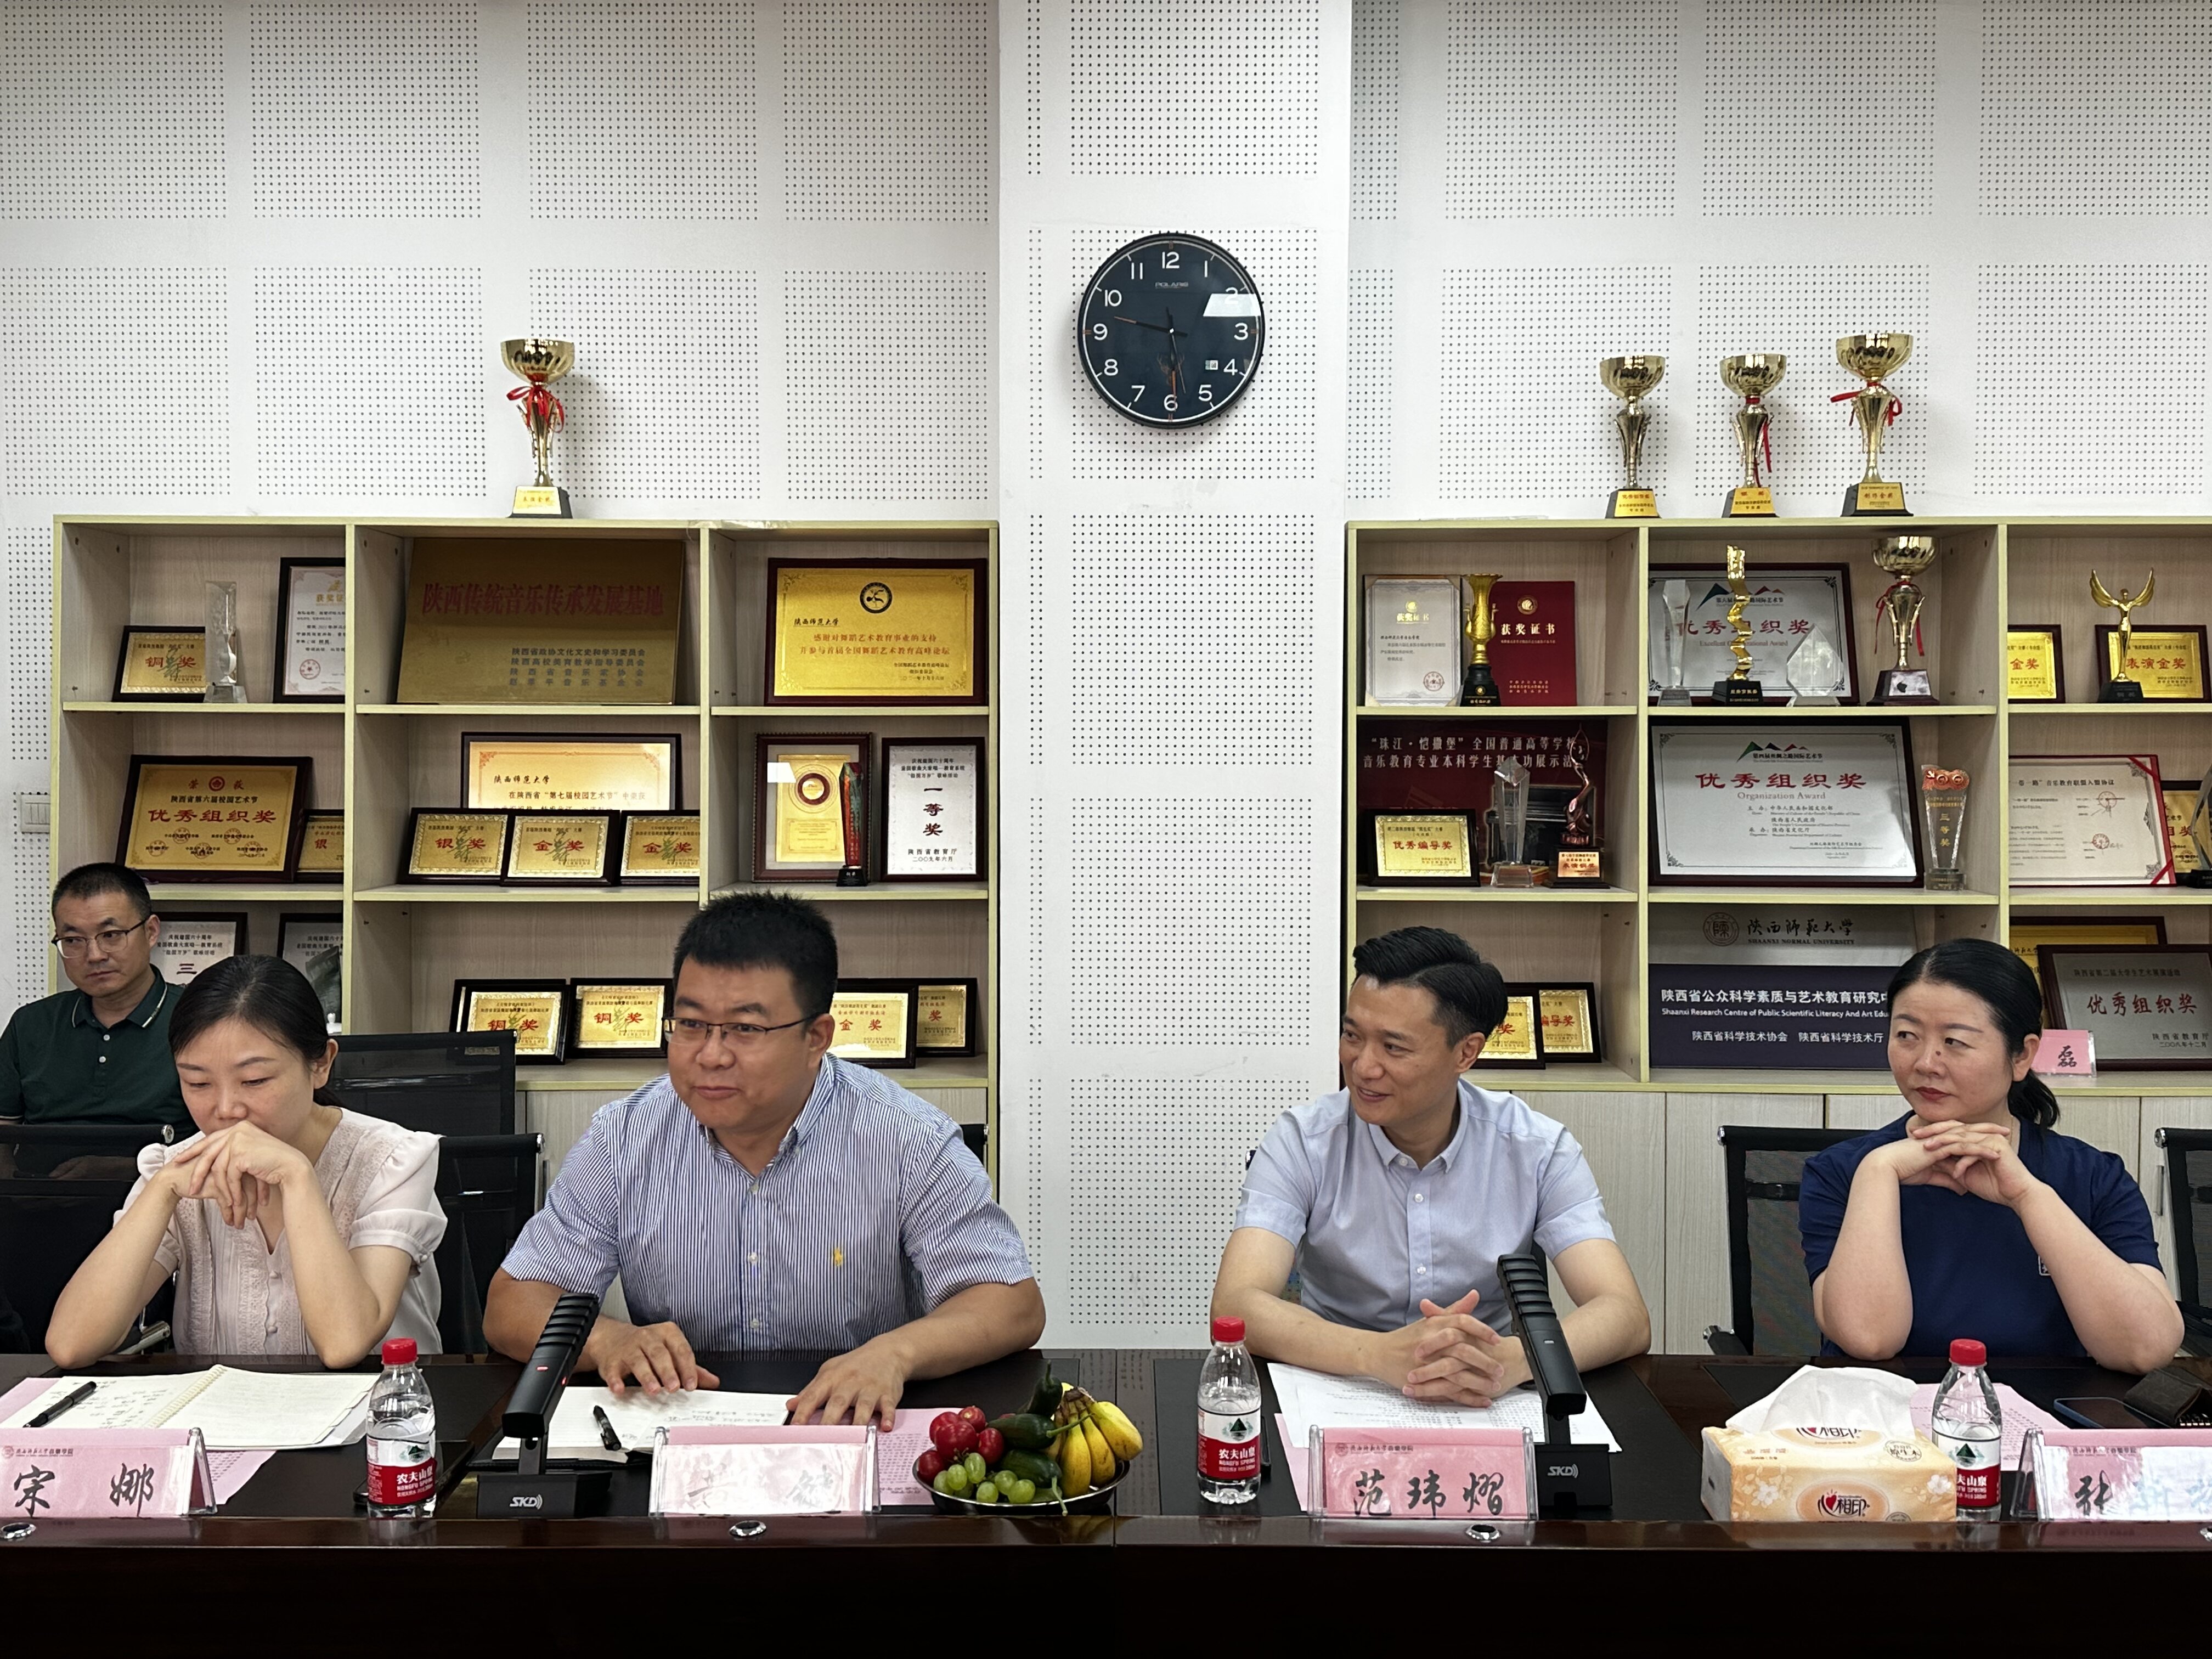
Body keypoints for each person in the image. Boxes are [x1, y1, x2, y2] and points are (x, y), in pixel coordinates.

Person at [484, 892, 1044, 1425]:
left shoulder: (907, 1138)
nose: (711, 1056)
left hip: (851, 1422)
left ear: (816, 1037)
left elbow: (1010, 1304)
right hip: (680, 1430)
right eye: (691, 1024)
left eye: (745, 1029)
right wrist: (609, 1339)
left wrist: (895, 1354)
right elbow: (513, 1304)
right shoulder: (624, 1139)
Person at [1211, 927, 1650, 1405]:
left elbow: (1624, 1314)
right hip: (1337, 1387)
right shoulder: (1303, 1141)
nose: (1363, 1066)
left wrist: (1513, 1360)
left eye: (1394, 1047)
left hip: (1484, 1395)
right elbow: (1236, 1304)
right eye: (1352, 1035)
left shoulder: (1537, 1150)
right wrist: (1375, 1354)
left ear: (1466, 1052)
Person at [44, 956, 446, 1368]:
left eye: (254, 1081)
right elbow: (72, 1344)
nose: (226, 1110)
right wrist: (162, 1191)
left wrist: (297, 1177)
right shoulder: (179, 1169)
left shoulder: (393, 1160)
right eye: (198, 1082)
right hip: (216, 1409)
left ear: (321, 1063)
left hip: (385, 1407)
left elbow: (345, 1342)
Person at [1802, 938, 2180, 1372]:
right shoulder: (1841, 1172)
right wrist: (1878, 1171)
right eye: (1906, 1036)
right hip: (1889, 1410)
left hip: (2046, 1410)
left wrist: (2028, 1197)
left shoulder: (2093, 1177)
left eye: (1955, 1041)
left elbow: (2144, 1350)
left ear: (2022, 1056)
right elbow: (1870, 1340)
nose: (1926, 1062)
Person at [0, 864, 189, 1136]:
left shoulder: (201, 1019)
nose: (95, 955)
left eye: (111, 936)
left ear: (151, 932)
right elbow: (5, 1135)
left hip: (162, 1165)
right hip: (44, 1165)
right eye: (73, 940)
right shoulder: (31, 1024)